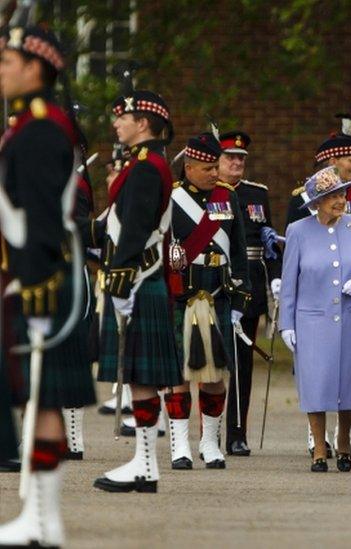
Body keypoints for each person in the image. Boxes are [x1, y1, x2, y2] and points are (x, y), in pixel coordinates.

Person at [0, 24, 97, 546]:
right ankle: (42, 519)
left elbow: (39, 213)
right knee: (42, 401)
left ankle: (42, 520)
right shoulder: (31, 123)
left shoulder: (39, 128)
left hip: (40, 277)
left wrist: (33, 279)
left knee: (43, 399)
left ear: (36, 67)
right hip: (37, 273)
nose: (1, 71)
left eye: (7, 61)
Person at [93, 89, 181, 494]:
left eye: (122, 117)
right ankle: (143, 463)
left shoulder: (147, 166)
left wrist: (121, 274)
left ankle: (146, 465)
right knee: (138, 378)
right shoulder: (143, 163)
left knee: (141, 376)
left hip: (138, 277)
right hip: (135, 276)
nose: (116, 124)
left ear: (143, 122)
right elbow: (114, 222)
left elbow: (138, 226)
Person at [279, 167, 351, 473]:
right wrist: (287, 324)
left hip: (348, 318)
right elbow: (289, 282)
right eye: (332, 196)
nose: (340, 200)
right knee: (315, 385)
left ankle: (345, 440)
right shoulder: (298, 231)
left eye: (342, 193)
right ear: (317, 202)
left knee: (347, 383)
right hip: (311, 321)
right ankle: (319, 449)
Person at [164, 133, 250, 470]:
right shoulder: (171, 199)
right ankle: (180, 443)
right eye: (208, 167)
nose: (216, 173)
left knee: (216, 375)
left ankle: (210, 442)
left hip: (218, 292)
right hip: (183, 294)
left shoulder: (227, 198)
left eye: (217, 166)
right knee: (179, 374)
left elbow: (239, 249)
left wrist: (241, 298)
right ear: (189, 167)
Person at [218, 130, 281, 456]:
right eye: (230, 157)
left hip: (250, 288)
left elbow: (267, 246)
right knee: (212, 364)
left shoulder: (257, 194)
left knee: (243, 366)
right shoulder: (207, 194)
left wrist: (275, 279)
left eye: (241, 158)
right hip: (216, 284)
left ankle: (237, 433)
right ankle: (210, 431)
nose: (236, 162)